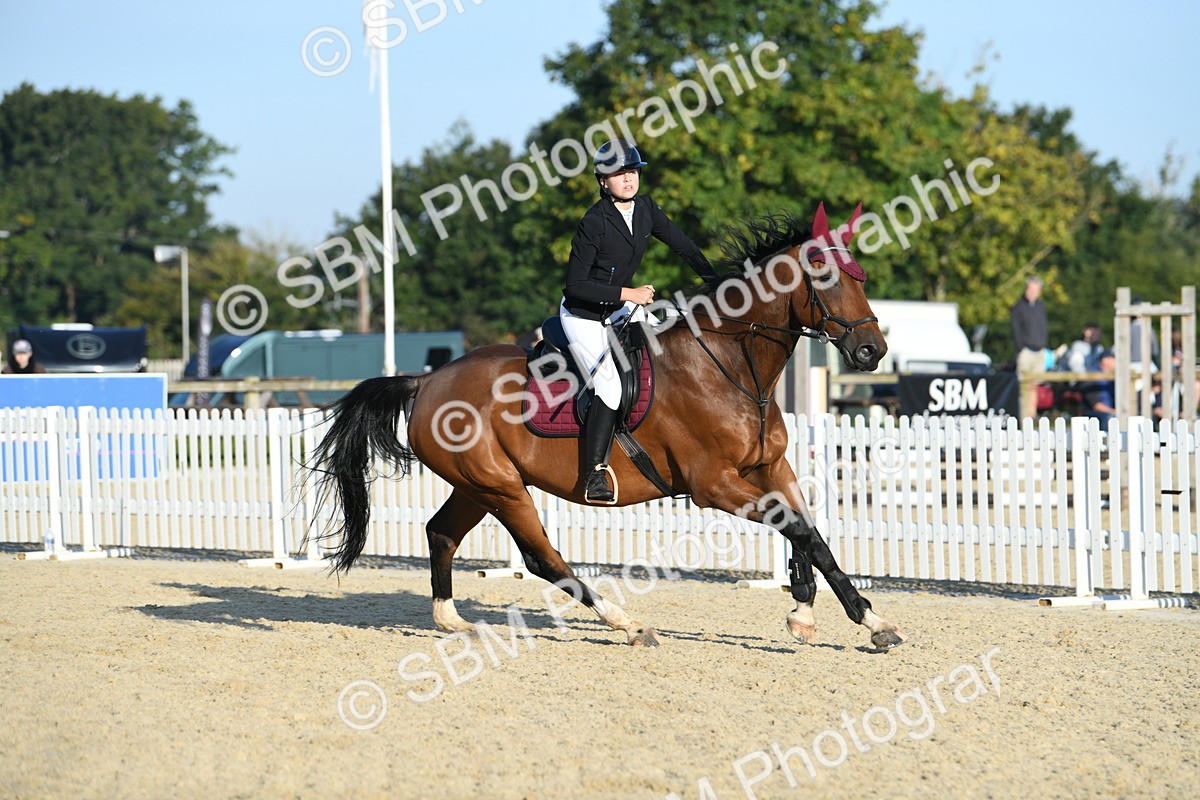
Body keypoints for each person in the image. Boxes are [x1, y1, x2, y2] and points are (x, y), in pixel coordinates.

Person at [560, 139, 717, 502]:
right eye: (618, 173)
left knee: (663, 347)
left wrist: (716, 282)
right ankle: (594, 473)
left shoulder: (646, 209)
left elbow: (684, 246)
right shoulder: (593, 223)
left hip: (616, 309)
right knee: (610, 387)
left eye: (632, 171)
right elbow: (577, 285)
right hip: (583, 316)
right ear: (603, 181)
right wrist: (629, 294)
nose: (628, 178)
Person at [1010, 277, 1048, 418]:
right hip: (1026, 351)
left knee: (1035, 385)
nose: (1032, 292)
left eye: (1035, 290)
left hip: (1039, 351)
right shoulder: (1018, 307)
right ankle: (1023, 416)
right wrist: (1021, 347)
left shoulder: (1040, 306)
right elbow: (1015, 329)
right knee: (1024, 386)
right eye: (1030, 289)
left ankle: (1032, 414)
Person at [1081, 349, 1117, 427]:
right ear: (1105, 360)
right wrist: (1114, 412)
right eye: (1113, 358)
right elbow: (1096, 405)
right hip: (1095, 415)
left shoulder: (1114, 378)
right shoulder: (1091, 376)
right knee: (1109, 417)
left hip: (1109, 413)